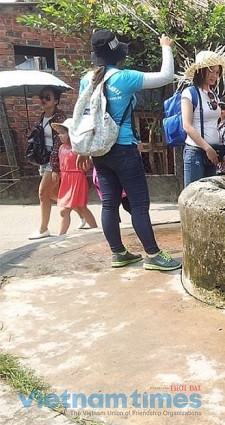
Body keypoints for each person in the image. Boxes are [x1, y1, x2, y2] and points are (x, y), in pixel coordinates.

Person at [75, 30, 181, 271]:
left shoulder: (87, 78)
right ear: (118, 55)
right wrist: (166, 46)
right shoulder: (124, 78)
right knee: (139, 204)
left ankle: (119, 253)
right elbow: (166, 76)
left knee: (109, 204)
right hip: (122, 148)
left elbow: (85, 115)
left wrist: (83, 150)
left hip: (100, 150)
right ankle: (153, 255)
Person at [180, 48, 225, 187]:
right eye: (211, 71)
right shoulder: (190, 93)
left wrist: (220, 153)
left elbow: (215, 125)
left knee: (208, 195)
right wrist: (207, 148)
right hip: (196, 151)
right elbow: (187, 126)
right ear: (201, 71)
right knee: (193, 196)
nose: (214, 75)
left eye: (217, 72)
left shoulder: (213, 94)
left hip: (213, 151)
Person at [27, 86, 68, 239]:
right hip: (44, 159)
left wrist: (56, 167)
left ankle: (43, 229)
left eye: (47, 97)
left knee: (42, 193)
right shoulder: (42, 116)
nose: (43, 100)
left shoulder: (60, 118)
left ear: (56, 101)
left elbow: (59, 144)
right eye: (42, 97)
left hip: (55, 158)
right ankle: (76, 207)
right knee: (52, 193)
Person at [50, 119, 98, 235]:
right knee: (82, 207)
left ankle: (61, 236)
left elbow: (86, 165)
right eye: (59, 133)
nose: (60, 135)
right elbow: (61, 164)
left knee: (64, 211)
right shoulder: (62, 148)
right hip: (66, 180)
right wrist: (57, 173)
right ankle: (97, 231)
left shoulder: (79, 149)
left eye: (63, 133)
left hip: (77, 179)